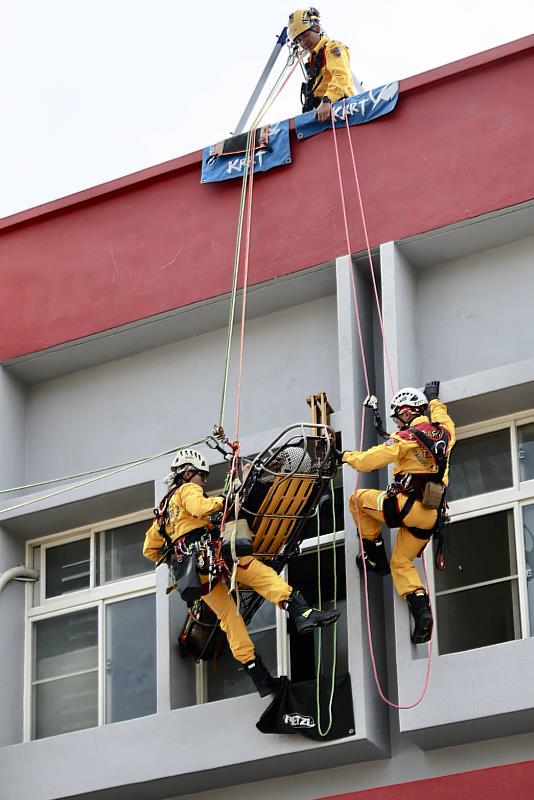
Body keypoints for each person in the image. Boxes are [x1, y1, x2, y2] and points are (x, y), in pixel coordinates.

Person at [143, 447, 340, 696]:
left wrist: (178, 554)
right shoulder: (187, 490)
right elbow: (200, 507)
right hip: (214, 558)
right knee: (259, 574)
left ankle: (260, 678)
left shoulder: (161, 514)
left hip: (195, 576)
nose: (204, 482)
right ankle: (302, 612)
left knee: (230, 619)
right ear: (188, 472)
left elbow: (149, 550)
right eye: (202, 476)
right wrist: (224, 500)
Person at [339, 382, 456, 644]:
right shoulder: (446, 433)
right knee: (402, 562)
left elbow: (370, 460)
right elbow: (441, 416)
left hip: (406, 506)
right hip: (432, 515)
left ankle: (374, 555)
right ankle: (422, 613)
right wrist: (434, 399)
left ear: (406, 412)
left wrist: (344, 456)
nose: (398, 423)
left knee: (357, 501)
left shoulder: (406, 438)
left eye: (398, 417)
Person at [287, 7, 354, 120]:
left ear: (317, 28)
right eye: (298, 40)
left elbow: (341, 76)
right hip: (322, 114)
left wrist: (327, 100)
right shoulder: (312, 60)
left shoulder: (331, 47)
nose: (303, 42)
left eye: (305, 35)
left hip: (339, 109)